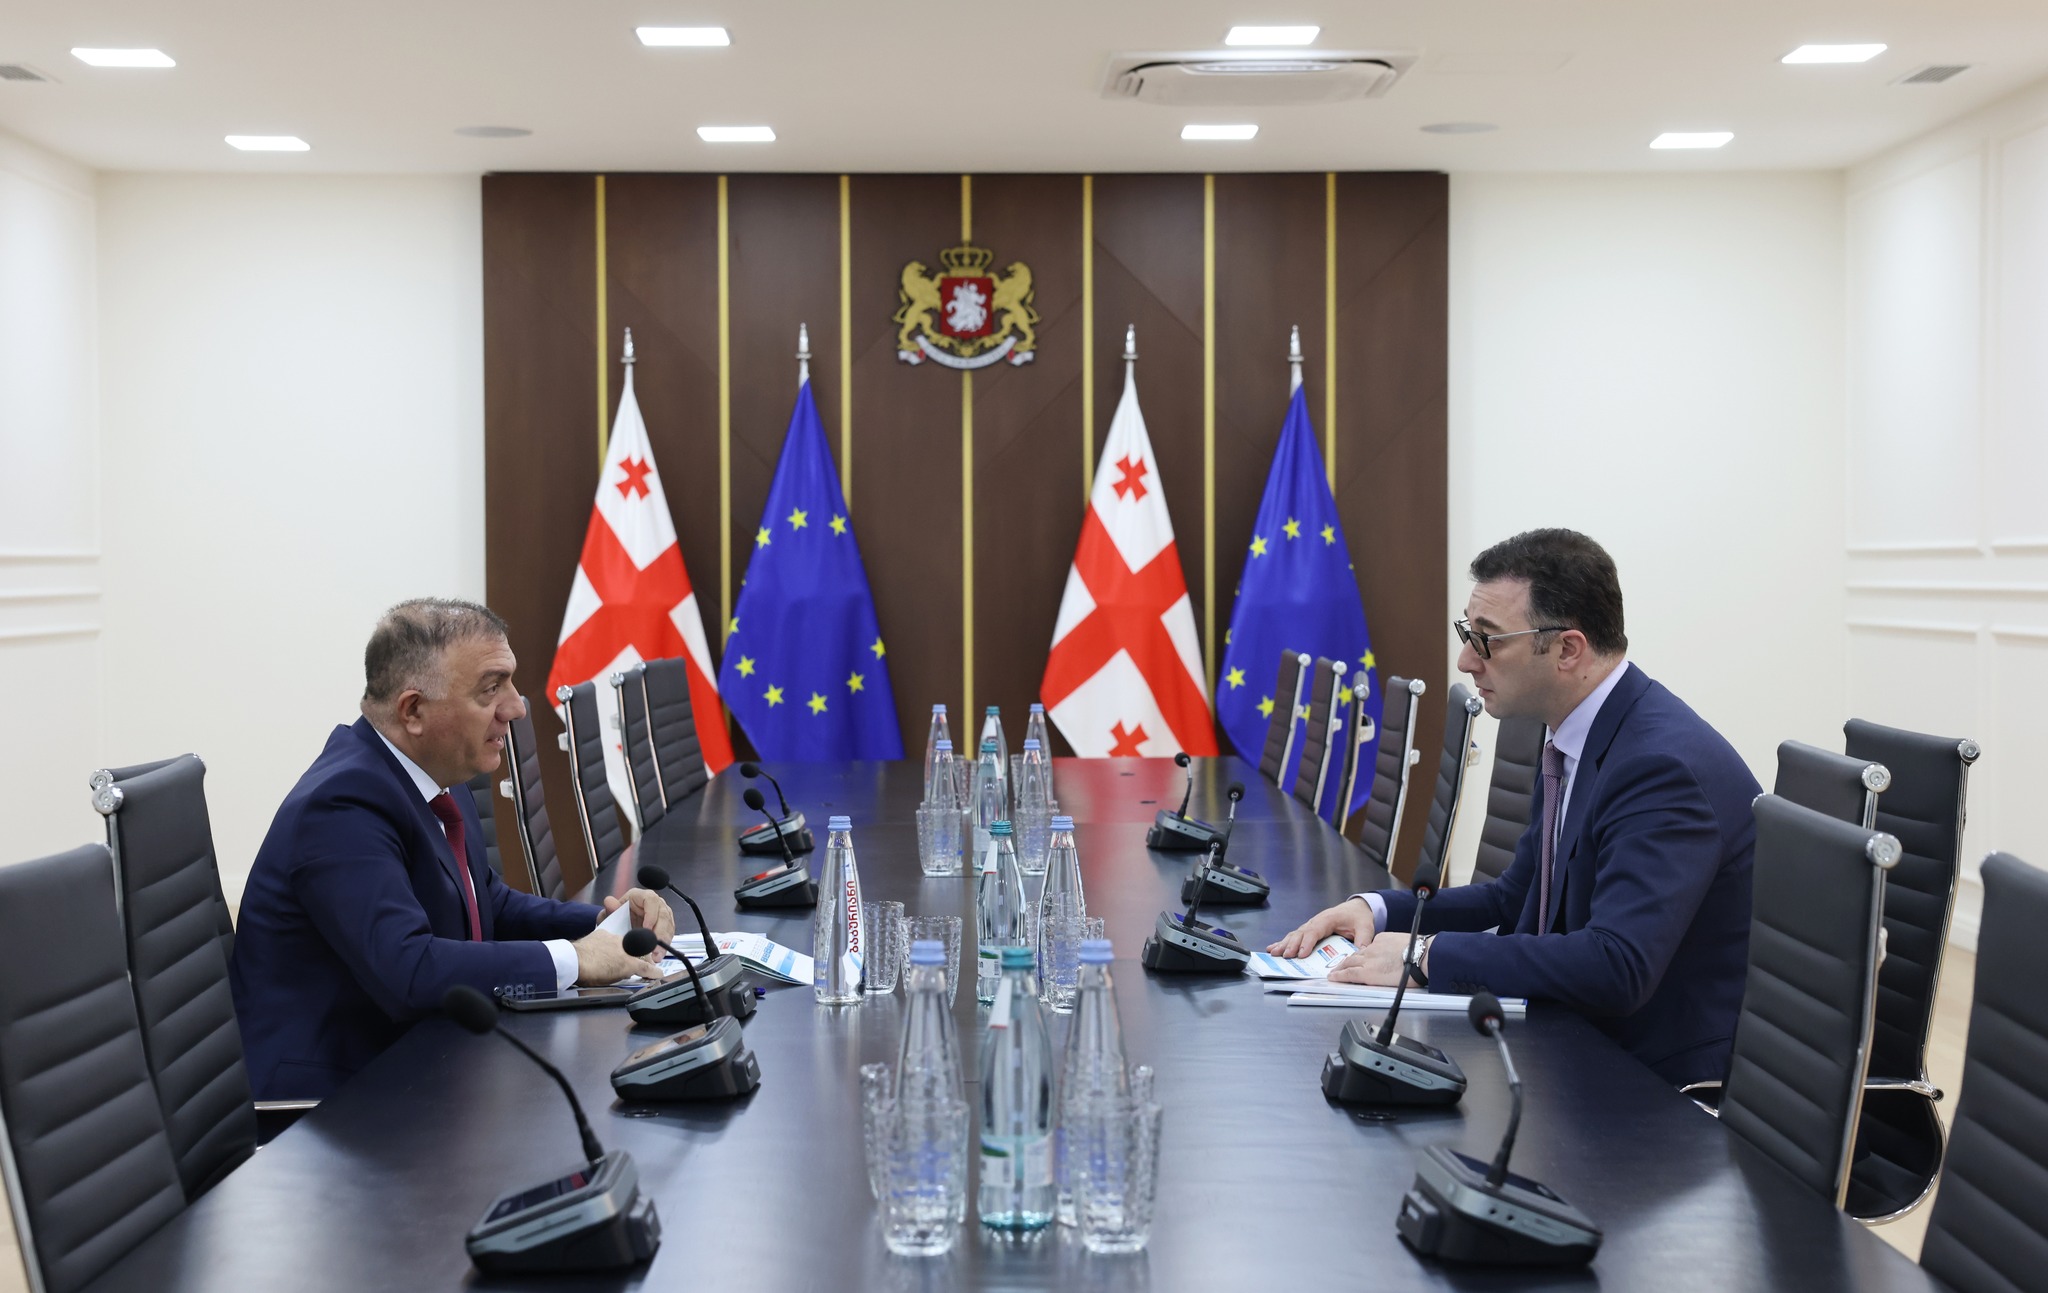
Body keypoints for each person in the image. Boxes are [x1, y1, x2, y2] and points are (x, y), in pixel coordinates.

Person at [1269, 530, 1757, 1087]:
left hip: (1650, 1084)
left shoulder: (1658, 768)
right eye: (1468, 634)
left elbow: (1618, 965)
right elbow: (1516, 897)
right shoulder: (1575, 733)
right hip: (1570, 1044)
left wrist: (1425, 955)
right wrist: (1377, 910)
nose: (1465, 660)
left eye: (1487, 640)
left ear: (1568, 650)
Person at [231, 598, 673, 1100]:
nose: (516, 708)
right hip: (332, 1102)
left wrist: (603, 927)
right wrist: (574, 959)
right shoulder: (342, 806)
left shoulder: (430, 773)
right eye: (490, 689)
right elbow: (409, 971)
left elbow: (486, 903)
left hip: (423, 1061)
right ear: (413, 711)